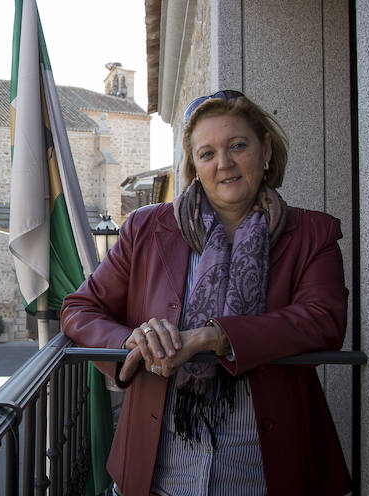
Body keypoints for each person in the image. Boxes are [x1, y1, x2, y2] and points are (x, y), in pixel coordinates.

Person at [61, 91, 351, 495]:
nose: (224, 164)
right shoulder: (147, 228)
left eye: (238, 146)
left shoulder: (312, 234)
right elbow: (79, 310)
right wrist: (133, 341)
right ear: (194, 165)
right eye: (207, 153)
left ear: (265, 149)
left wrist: (216, 338)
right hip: (158, 472)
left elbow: (324, 319)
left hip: (263, 471)